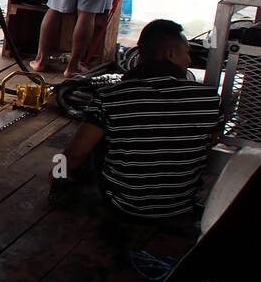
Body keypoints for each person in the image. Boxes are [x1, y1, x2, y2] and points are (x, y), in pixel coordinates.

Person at [51, 20, 224, 223]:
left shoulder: (110, 96)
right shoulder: (210, 99)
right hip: (180, 205)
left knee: (74, 151)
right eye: (186, 53)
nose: (189, 60)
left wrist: (56, 174)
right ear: (170, 55)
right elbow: (208, 145)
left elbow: (73, 155)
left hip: (124, 204)